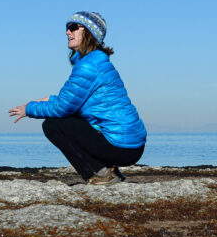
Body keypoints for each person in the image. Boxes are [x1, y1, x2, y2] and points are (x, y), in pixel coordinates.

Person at [9, 11, 146, 185]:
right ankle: (107, 170)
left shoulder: (89, 66)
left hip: (122, 146)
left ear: (89, 32)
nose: (68, 32)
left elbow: (62, 108)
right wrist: (49, 99)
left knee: (53, 125)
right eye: (67, 28)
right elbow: (74, 102)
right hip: (130, 145)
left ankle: (101, 174)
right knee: (64, 120)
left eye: (73, 27)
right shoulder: (96, 61)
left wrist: (28, 109)